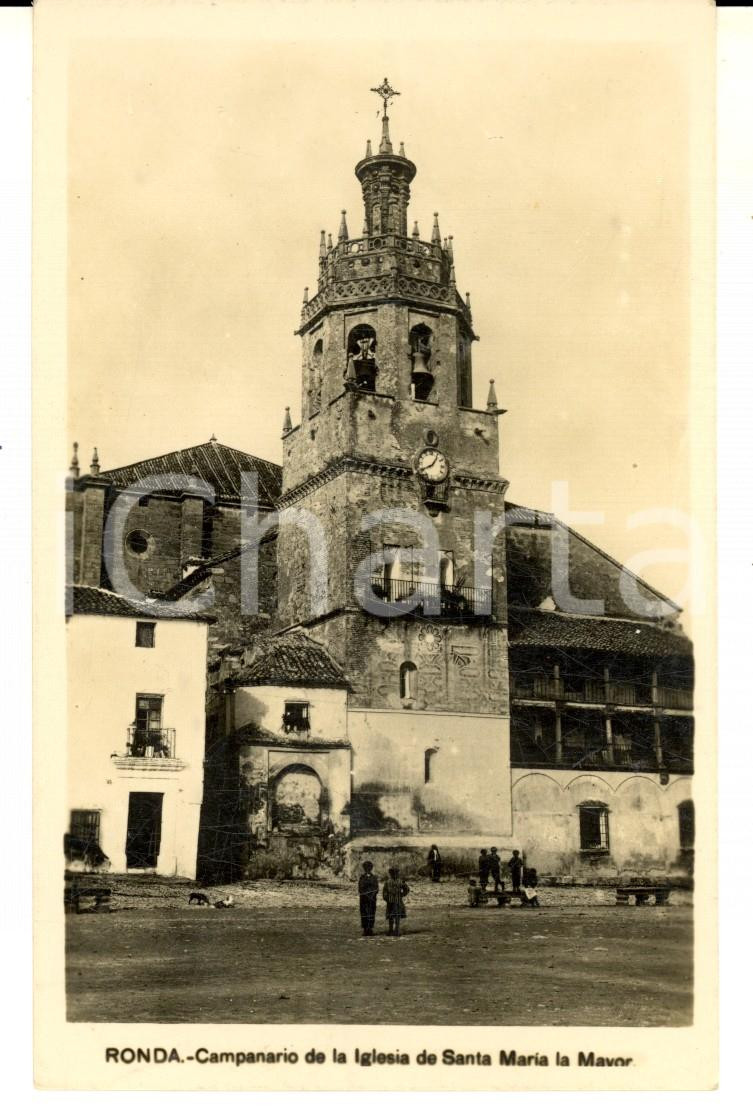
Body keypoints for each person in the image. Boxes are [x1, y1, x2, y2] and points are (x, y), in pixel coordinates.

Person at [382, 866, 409, 937]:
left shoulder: (401, 881)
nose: (394, 875)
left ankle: (397, 930)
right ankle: (390, 930)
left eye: (396, 873)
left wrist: (402, 894)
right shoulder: (387, 882)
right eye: (392, 874)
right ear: (390, 874)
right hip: (390, 902)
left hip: (398, 902)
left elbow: (406, 889)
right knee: (390, 917)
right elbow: (384, 891)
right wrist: (386, 898)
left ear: (397, 874)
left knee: (397, 916)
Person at [358, 861, 379, 936]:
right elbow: (360, 888)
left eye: (369, 867)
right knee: (364, 913)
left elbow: (376, 888)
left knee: (371, 913)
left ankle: (370, 929)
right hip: (364, 899)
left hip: (372, 899)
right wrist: (366, 895)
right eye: (366, 868)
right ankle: (365, 929)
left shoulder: (374, 878)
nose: (368, 869)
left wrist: (372, 895)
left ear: (371, 868)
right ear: (364, 868)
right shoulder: (362, 877)